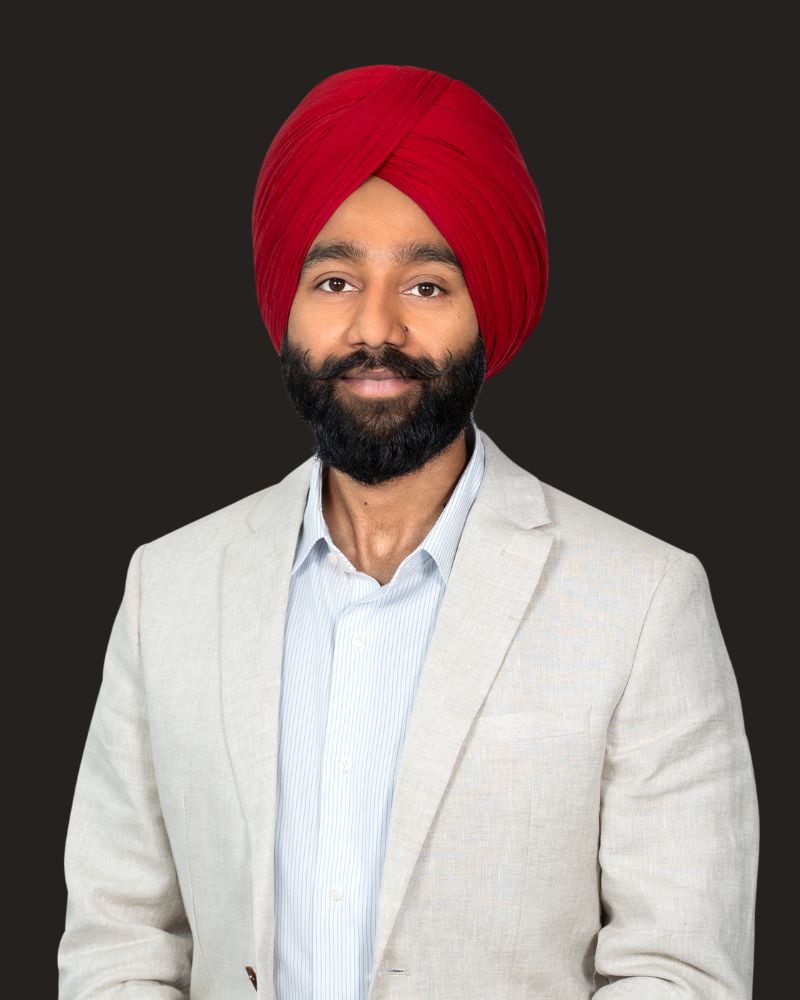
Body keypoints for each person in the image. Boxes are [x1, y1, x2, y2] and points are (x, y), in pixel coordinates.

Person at [58, 64, 759, 999]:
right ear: (287, 305)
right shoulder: (170, 586)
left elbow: (680, 969)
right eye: (336, 280)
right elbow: (119, 940)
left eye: (426, 286)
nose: (375, 329)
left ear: (485, 311)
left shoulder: (642, 601)